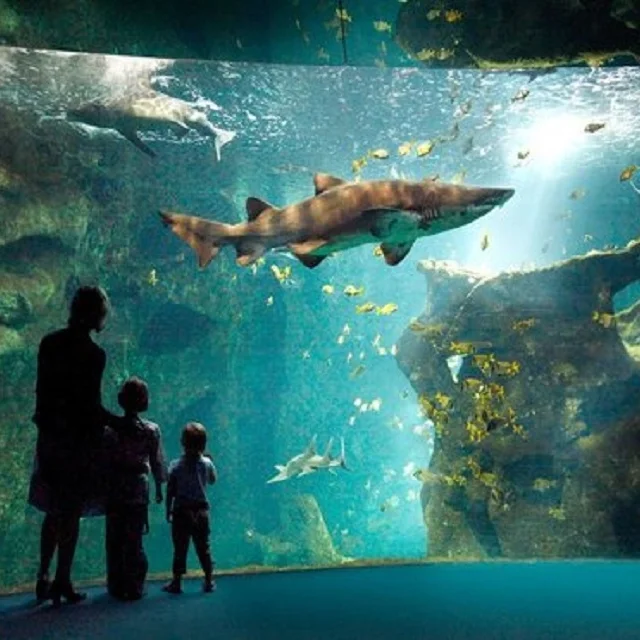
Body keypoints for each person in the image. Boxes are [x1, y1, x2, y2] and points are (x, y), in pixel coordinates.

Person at [28, 285, 115, 606]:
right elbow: (90, 405)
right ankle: (63, 579)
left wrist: (48, 425)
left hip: (51, 437)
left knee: (53, 508)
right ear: (96, 314)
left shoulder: (49, 343)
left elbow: (43, 392)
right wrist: (118, 422)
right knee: (72, 511)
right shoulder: (94, 355)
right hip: (78, 442)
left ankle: (43, 576)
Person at [104, 376, 167, 601]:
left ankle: (116, 585)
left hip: (114, 488)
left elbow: (104, 460)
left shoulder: (109, 430)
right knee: (134, 538)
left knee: (114, 537)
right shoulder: (151, 430)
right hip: (138, 490)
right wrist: (160, 487)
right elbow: (157, 462)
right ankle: (135, 585)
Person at [162, 422, 217, 594]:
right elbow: (213, 480)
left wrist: (167, 510)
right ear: (204, 444)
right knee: (204, 547)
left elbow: (170, 490)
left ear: (182, 443)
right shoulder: (207, 463)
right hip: (201, 512)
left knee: (180, 548)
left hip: (181, 512)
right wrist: (209, 461)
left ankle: (177, 583)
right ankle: (208, 581)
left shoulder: (175, 465)